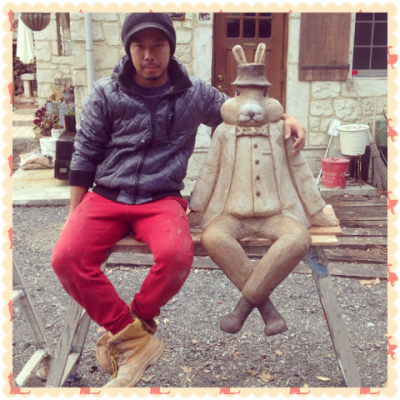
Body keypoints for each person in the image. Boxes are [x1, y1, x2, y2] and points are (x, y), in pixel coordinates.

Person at [51, 13, 307, 388]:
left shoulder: (195, 92)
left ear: (170, 48)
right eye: (139, 46)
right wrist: (74, 214)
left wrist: (285, 116)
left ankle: (134, 326)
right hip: (106, 194)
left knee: (176, 256)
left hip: (161, 197)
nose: (149, 54)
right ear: (128, 49)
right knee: (66, 258)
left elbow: (239, 111)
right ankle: (134, 339)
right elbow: (85, 154)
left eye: (158, 45)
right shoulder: (105, 93)